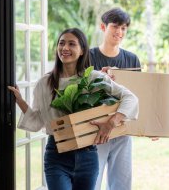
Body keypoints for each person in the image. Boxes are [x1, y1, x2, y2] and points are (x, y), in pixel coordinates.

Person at [8, 27, 138, 190]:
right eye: (61, 43)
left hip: (88, 155)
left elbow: (130, 98)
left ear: (82, 50)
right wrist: (20, 101)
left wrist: (111, 122)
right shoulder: (45, 83)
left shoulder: (94, 78)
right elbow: (37, 121)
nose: (65, 48)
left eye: (72, 44)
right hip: (57, 155)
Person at [90, 8, 140, 190]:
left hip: (122, 131)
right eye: (115, 27)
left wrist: (150, 128)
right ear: (103, 27)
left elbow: (138, 96)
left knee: (122, 183)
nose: (119, 32)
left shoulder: (132, 59)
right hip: (95, 130)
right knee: (92, 182)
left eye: (124, 28)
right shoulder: (88, 57)